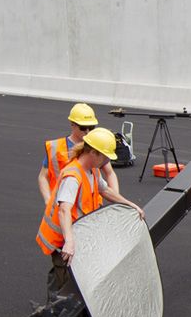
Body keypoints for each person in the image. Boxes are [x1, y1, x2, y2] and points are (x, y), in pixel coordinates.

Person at [35, 128, 145, 300]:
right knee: (65, 282)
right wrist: (69, 242)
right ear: (93, 153)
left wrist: (130, 205)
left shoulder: (92, 169)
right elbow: (64, 208)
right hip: (62, 239)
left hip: (76, 233)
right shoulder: (73, 175)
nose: (108, 160)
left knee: (68, 279)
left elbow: (105, 190)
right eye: (105, 156)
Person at [36, 102, 120, 206]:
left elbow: (110, 173)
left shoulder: (96, 145)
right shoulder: (55, 147)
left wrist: (116, 198)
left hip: (90, 208)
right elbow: (43, 176)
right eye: (83, 127)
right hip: (64, 204)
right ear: (72, 124)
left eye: (91, 127)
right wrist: (48, 200)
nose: (88, 131)